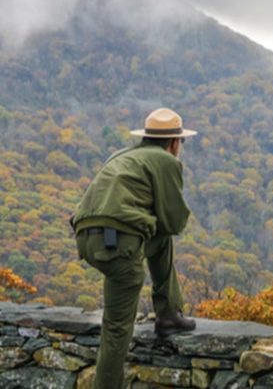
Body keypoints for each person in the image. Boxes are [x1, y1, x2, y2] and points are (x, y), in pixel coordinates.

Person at [72, 108, 197, 388]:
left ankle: (168, 313)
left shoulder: (123, 155)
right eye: (181, 142)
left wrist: (150, 221)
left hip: (87, 236)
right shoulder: (166, 161)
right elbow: (175, 221)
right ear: (174, 142)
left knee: (160, 240)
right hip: (116, 242)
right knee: (116, 329)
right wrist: (156, 217)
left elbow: (162, 231)